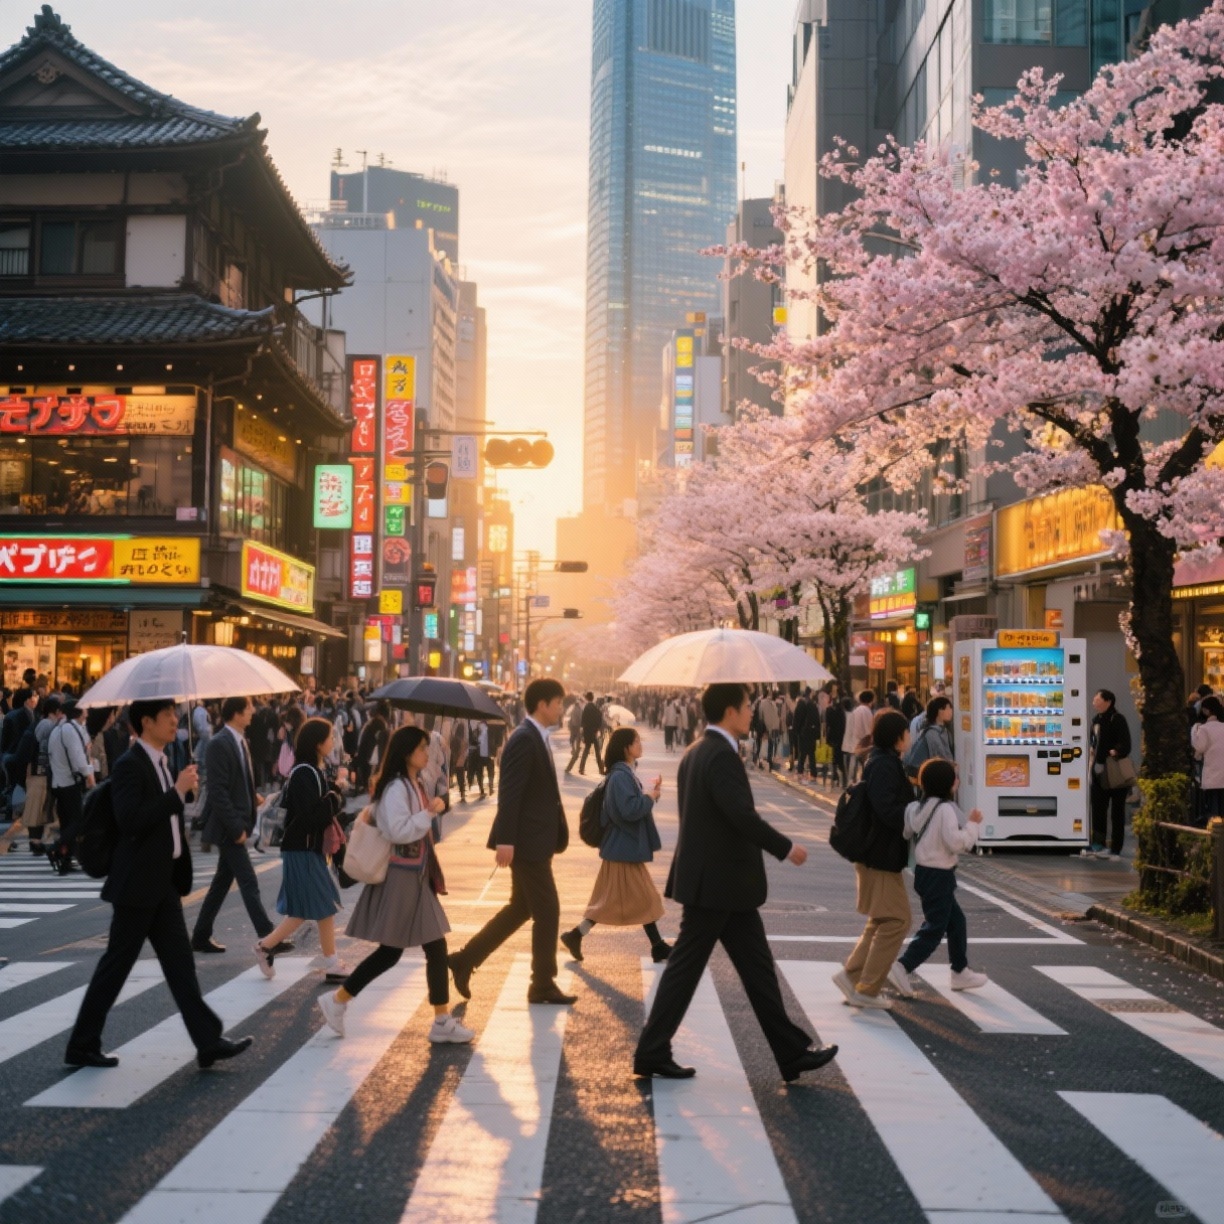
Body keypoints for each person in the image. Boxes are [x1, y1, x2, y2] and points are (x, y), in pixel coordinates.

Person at [634, 683, 838, 1084]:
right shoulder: (720, 755)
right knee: (686, 969)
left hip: (718, 881)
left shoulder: (697, 751)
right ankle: (651, 1050)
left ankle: (791, 1052)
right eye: (747, 707)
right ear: (730, 711)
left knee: (756, 969)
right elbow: (740, 816)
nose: (751, 713)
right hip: (720, 882)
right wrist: (785, 847)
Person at [64, 698, 252, 1069]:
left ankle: (207, 1041)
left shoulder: (165, 763)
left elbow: (165, 820)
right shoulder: (130, 766)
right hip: (137, 884)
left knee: (180, 966)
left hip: (162, 882)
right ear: (145, 722)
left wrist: (182, 794)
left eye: (174, 714)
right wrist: (176, 793)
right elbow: (131, 819)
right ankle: (82, 1044)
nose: (174, 721)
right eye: (167, 715)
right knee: (116, 965)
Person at [318, 726, 473, 1044]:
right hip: (402, 877)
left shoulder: (412, 783)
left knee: (429, 946)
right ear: (405, 753)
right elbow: (398, 831)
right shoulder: (396, 788)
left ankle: (440, 1019)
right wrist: (428, 814)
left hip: (414, 874)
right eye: (420, 748)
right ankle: (338, 1001)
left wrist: (433, 803)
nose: (425, 753)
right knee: (393, 952)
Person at [446, 677, 573, 1005]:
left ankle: (464, 959)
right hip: (526, 843)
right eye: (557, 703)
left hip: (533, 840)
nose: (561, 709)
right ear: (542, 705)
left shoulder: (535, 737)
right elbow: (510, 792)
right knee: (548, 910)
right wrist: (506, 840)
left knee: (521, 908)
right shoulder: (524, 739)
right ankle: (542, 983)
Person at [560, 727, 671, 964]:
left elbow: (630, 806)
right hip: (623, 848)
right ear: (626, 748)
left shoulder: (623, 773)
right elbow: (629, 810)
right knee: (644, 899)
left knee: (611, 901)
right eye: (637, 741)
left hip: (622, 847)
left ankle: (575, 935)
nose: (640, 744)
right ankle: (658, 946)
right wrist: (649, 797)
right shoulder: (621, 776)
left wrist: (652, 795)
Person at [254, 718, 349, 980]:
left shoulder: (313, 770)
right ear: (319, 744)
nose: (333, 741)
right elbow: (312, 816)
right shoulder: (305, 773)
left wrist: (334, 791)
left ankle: (265, 947)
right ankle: (331, 963)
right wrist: (335, 793)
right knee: (323, 905)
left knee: (301, 911)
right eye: (330, 737)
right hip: (302, 849)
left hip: (305, 849)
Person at [833, 709, 913, 1010]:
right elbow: (887, 810)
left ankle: (853, 977)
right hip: (880, 854)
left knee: (881, 918)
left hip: (875, 853)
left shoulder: (880, 761)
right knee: (897, 920)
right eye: (906, 732)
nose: (910, 736)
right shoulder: (884, 765)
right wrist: (913, 814)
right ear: (897, 737)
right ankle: (866, 988)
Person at [888, 758, 987, 999]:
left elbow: (907, 831)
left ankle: (960, 970)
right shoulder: (945, 810)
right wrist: (972, 826)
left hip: (923, 872)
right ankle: (902, 966)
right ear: (948, 783)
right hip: (939, 874)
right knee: (936, 927)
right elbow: (956, 843)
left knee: (957, 921)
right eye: (955, 777)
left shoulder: (915, 807)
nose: (958, 781)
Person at [190, 696, 279, 956]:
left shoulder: (240, 740)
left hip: (239, 819)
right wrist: (236, 828)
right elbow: (218, 791)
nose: (252, 712)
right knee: (248, 880)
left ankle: (200, 934)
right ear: (237, 713)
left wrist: (255, 799)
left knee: (221, 883)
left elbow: (238, 781)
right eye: (249, 708)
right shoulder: (220, 743)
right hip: (229, 826)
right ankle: (268, 935)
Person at [47, 700, 95, 875]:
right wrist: (89, 777)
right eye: (84, 711)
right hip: (69, 782)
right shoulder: (70, 730)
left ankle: (64, 859)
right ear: (78, 712)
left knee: (67, 822)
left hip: (58, 783)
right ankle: (55, 847)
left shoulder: (58, 729)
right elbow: (78, 758)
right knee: (78, 821)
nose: (87, 714)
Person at [1088, 689, 1132, 860]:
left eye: (1096, 698)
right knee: (1098, 808)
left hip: (1115, 771)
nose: (1093, 701)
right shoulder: (1096, 720)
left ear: (1108, 701)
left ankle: (1116, 847)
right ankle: (1098, 844)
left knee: (1117, 811)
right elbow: (1093, 742)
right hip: (1099, 771)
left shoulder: (1117, 719)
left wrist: (1114, 751)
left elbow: (1126, 744)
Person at [904, 696, 954, 781]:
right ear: (939, 711)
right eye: (948, 708)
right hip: (926, 774)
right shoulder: (932, 733)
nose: (951, 711)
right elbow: (938, 756)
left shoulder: (941, 730)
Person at [1191, 694, 1224, 825]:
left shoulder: (1204, 729)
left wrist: (1194, 730)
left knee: (1214, 816)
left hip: (1212, 779)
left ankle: (1216, 844)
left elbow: (1199, 747)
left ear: (1206, 710)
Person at [843, 690, 875, 784]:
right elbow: (868, 728)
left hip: (854, 741)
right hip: (864, 742)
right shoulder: (866, 711)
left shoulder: (856, 710)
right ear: (870, 700)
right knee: (864, 764)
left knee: (854, 764)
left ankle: (851, 781)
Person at [576, 691, 605, 776]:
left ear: (586, 698)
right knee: (597, 751)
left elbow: (583, 722)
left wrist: (583, 733)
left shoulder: (586, 708)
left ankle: (581, 768)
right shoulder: (595, 708)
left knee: (586, 750)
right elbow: (600, 718)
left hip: (587, 732)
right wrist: (597, 729)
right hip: (594, 732)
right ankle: (600, 769)